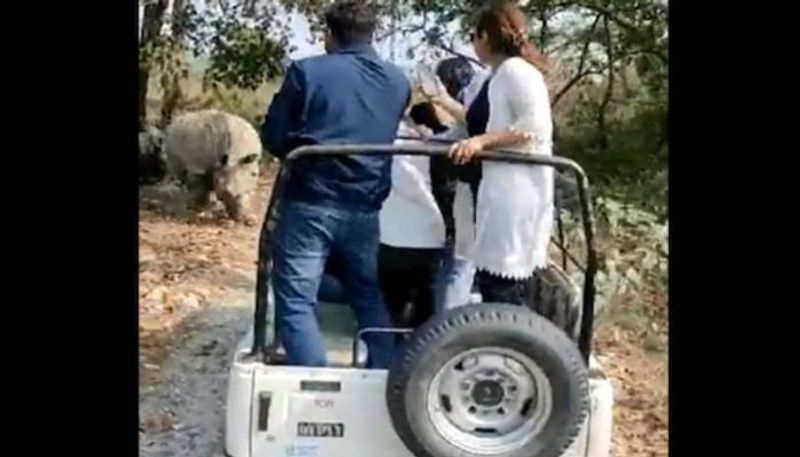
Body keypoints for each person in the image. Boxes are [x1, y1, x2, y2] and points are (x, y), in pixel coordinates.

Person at [260, 0, 411, 368]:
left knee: (297, 299)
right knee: (367, 293)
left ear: (330, 34)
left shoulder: (306, 72)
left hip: (310, 202)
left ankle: (317, 387)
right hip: (366, 206)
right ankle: (385, 376)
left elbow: (274, 136)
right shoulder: (398, 81)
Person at [447, 2, 555, 306]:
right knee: (492, 280)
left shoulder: (516, 72)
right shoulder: (497, 75)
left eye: (473, 36)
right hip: (493, 190)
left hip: (516, 191)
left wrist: (482, 142)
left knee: (504, 282)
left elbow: (534, 125)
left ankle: (510, 348)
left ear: (484, 36)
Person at [378, 103, 449, 328]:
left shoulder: (383, 139)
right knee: (425, 302)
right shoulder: (438, 143)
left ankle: (387, 352)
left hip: (392, 235)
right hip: (432, 234)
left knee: (391, 303)